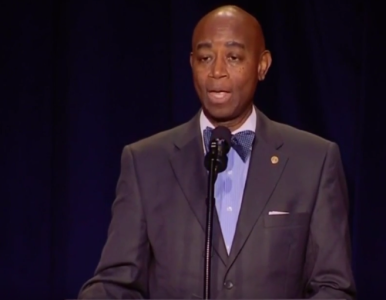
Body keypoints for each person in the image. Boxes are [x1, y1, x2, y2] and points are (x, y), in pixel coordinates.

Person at [78, 5, 356, 300]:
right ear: (191, 63)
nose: (217, 71)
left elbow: (333, 287)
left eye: (234, 57)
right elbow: (116, 284)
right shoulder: (145, 162)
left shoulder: (313, 160)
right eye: (205, 58)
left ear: (262, 65)